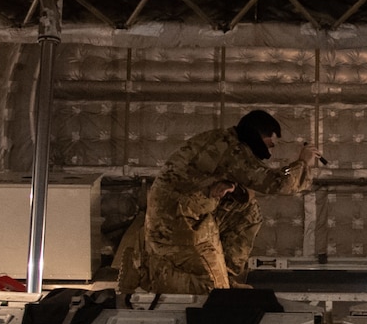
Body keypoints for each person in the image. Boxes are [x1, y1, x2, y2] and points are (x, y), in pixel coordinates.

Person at [116, 110, 320, 295]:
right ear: (257, 135)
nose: (269, 152)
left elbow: (236, 179)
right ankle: (145, 273)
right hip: (177, 221)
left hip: (191, 210)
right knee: (212, 291)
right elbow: (277, 184)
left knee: (248, 211)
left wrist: (232, 188)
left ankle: (226, 275)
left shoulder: (223, 140)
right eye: (270, 144)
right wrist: (303, 162)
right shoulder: (232, 150)